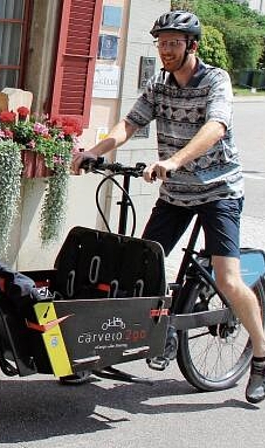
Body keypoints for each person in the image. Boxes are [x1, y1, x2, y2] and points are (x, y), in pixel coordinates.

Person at [71, 10, 265, 404]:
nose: (166, 50)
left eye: (174, 43)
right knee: (140, 269)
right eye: (161, 43)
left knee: (227, 279)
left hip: (218, 191)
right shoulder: (159, 85)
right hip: (176, 194)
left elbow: (216, 127)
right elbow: (130, 122)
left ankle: (261, 356)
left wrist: (175, 160)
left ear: (192, 45)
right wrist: (95, 150)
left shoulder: (215, 80)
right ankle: (115, 348)